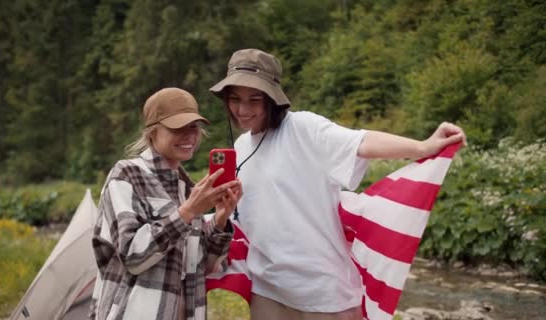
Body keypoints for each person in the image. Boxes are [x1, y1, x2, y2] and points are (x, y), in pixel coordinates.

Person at [209, 49, 466, 320]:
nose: (243, 109)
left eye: (254, 99)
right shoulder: (240, 146)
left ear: (272, 99)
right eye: (235, 99)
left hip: (324, 295)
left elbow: (362, 142)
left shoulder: (303, 128)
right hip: (267, 292)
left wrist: (423, 147)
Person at [89, 87, 243, 320]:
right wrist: (188, 211)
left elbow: (206, 267)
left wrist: (220, 218)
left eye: (194, 127)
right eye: (177, 128)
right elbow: (133, 256)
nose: (189, 135)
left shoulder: (188, 188)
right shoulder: (127, 175)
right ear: (152, 131)